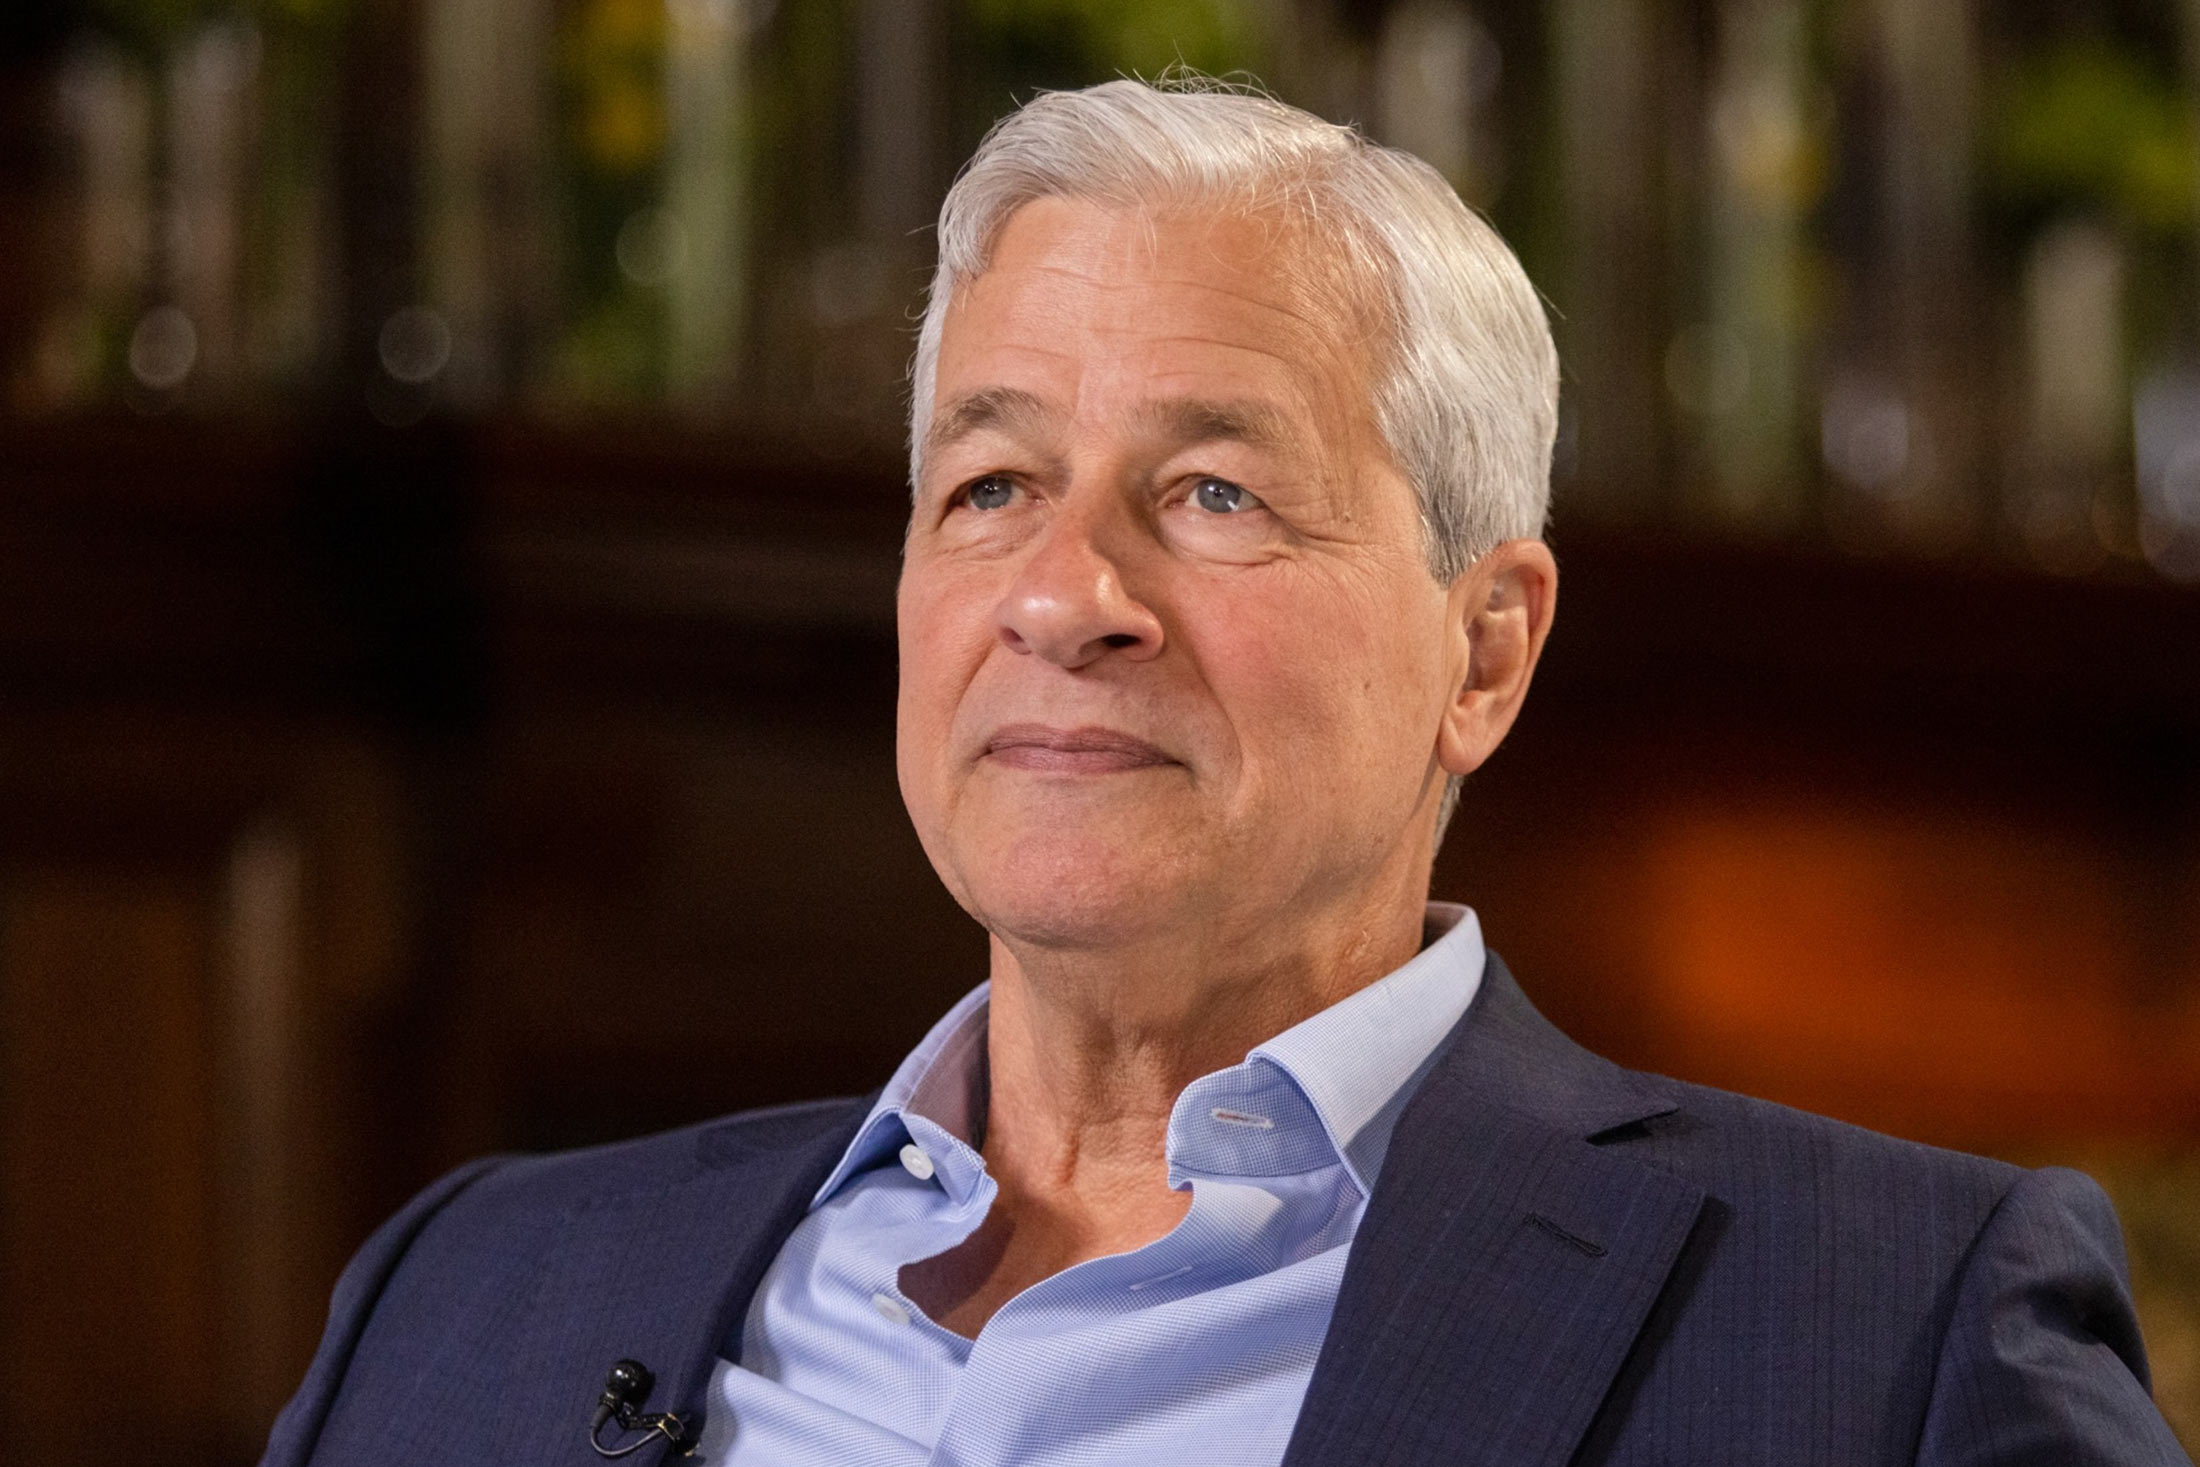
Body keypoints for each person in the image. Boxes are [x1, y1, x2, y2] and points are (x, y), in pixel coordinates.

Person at [259, 79, 2190, 1467]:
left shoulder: (1889, 1329)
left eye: (1214, 494)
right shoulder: (473, 1293)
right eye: (991, 485)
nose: (1064, 596)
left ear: (1484, 649)